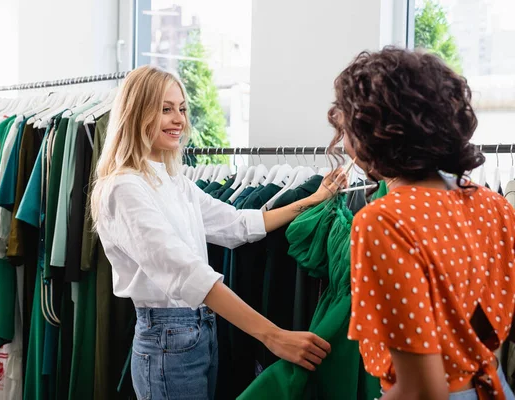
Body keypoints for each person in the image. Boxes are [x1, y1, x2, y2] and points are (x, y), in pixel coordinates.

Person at [90, 65, 345, 400]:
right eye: (165, 109)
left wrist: (313, 199)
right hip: (167, 337)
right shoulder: (123, 188)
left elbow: (237, 224)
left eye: (181, 108)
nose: (179, 119)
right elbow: (187, 273)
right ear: (137, 113)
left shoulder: (175, 180)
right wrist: (272, 335)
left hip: (201, 329)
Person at [329, 47, 515, 400]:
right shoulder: (493, 204)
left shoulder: (384, 220)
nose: (344, 141)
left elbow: (422, 390)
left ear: (374, 131)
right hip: (493, 386)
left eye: (347, 127)